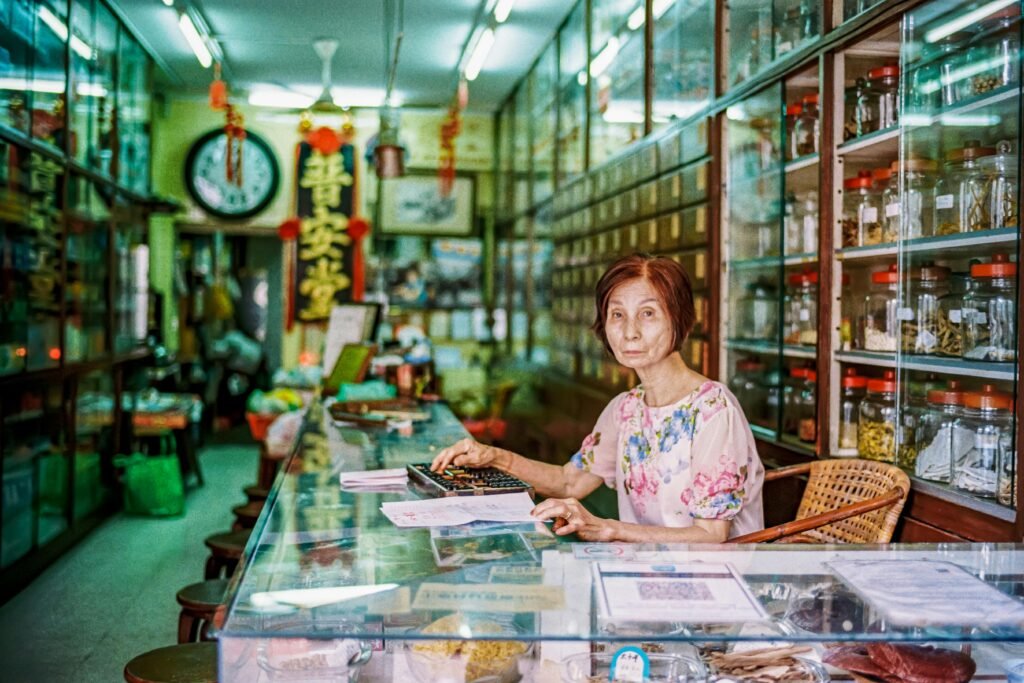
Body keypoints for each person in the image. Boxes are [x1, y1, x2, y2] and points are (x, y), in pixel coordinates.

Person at [432, 253, 764, 542]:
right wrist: (493, 457)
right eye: (617, 315)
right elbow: (569, 482)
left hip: (715, 592)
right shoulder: (627, 409)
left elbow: (711, 534)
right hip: (644, 578)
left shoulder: (711, 409)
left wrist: (609, 528)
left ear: (680, 320)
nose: (630, 331)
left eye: (648, 314)